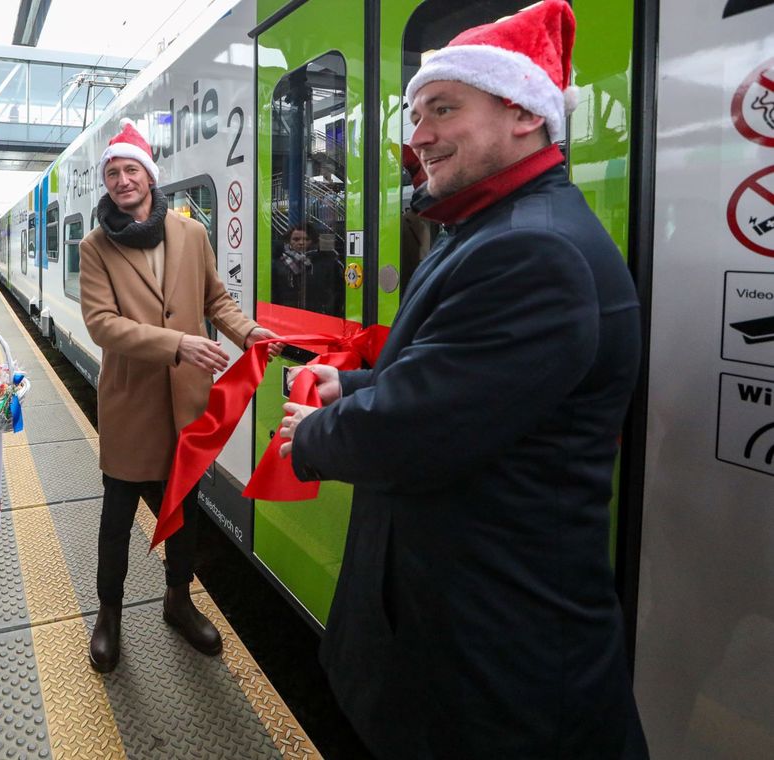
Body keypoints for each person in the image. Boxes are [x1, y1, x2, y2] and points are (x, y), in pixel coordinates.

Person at [277, 2, 648, 757]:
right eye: (416, 115)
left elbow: (417, 429)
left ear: (522, 114)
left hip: (490, 667)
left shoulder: (531, 251)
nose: (417, 138)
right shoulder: (492, 227)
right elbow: (448, 373)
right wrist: (348, 389)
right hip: (462, 636)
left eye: (443, 109)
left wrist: (312, 436)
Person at [79, 120, 281, 673]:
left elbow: (217, 299)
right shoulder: (95, 246)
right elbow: (100, 324)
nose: (122, 180)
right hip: (130, 405)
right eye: (113, 172)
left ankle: (177, 600)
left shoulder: (191, 234)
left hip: (186, 404)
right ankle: (109, 614)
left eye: (131, 170)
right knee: (117, 516)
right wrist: (179, 344)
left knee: (185, 512)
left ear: (149, 176)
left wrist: (249, 333)